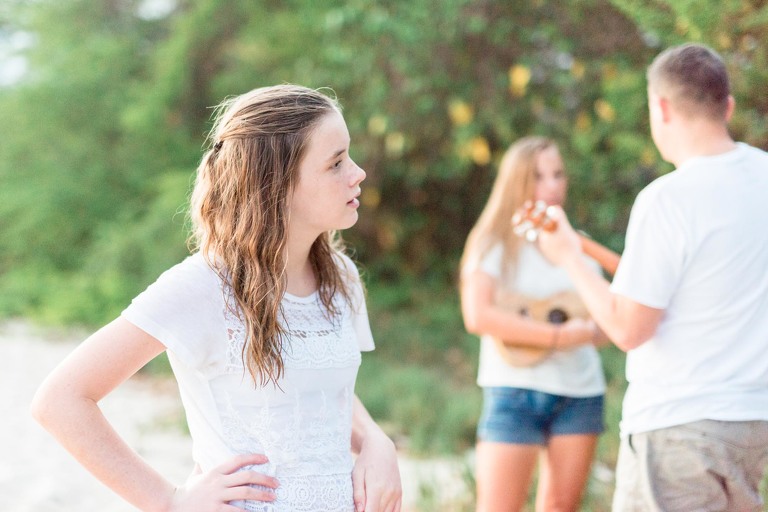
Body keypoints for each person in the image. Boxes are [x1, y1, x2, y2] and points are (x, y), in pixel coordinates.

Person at [31, 84, 402, 512]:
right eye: (335, 163)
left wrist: (376, 440)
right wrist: (170, 501)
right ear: (276, 183)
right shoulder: (203, 287)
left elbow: (322, 391)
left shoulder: (342, 278)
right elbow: (60, 399)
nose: (358, 173)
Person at [537, 43, 768, 511]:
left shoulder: (667, 200)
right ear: (727, 106)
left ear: (660, 107)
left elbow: (628, 329)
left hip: (678, 428)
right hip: (753, 422)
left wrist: (569, 257)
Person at [459, 136, 608, 512]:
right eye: (539, 176)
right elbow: (478, 316)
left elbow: (610, 320)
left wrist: (595, 330)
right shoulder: (493, 243)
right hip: (514, 392)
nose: (553, 185)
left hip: (580, 393)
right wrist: (559, 337)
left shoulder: (578, 247)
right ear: (516, 182)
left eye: (558, 174)